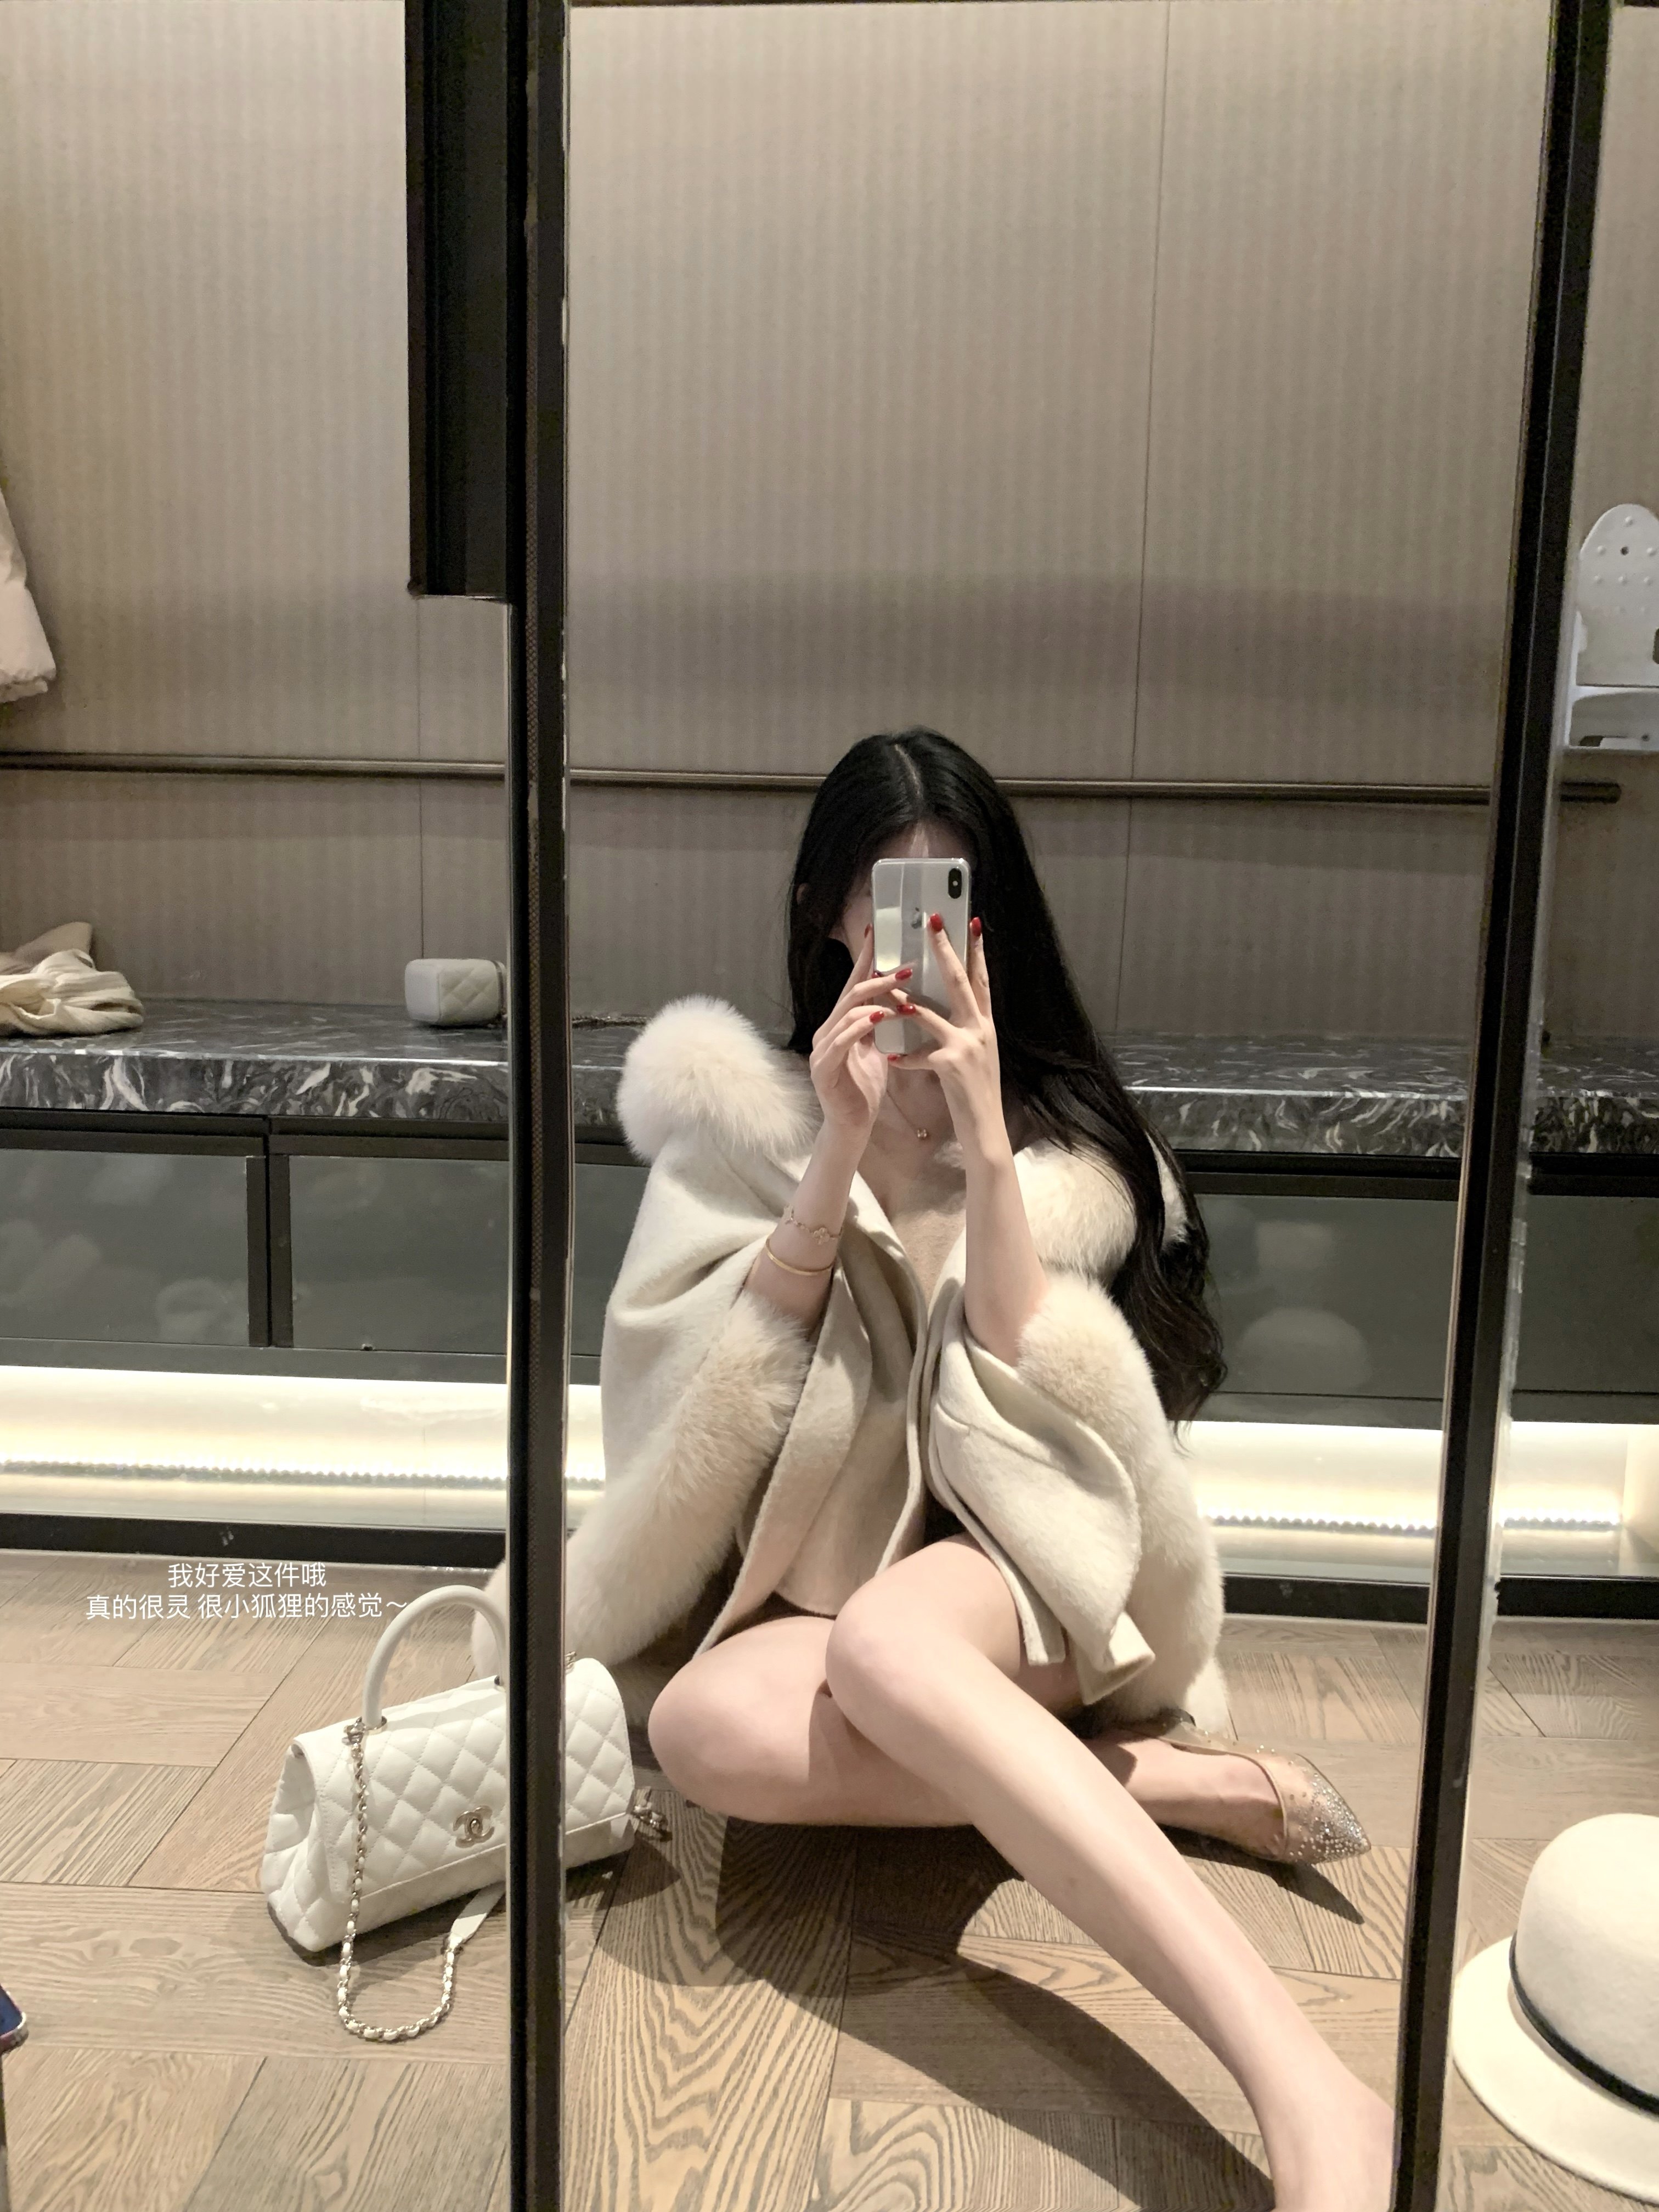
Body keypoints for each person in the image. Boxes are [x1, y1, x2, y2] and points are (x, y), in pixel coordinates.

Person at [533, 729, 1393, 2209]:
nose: (918, 932)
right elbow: (705, 1397)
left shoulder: (1065, 1139)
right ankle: (1144, 1784)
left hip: (1023, 1565)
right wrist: (835, 1147)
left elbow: (1038, 1382)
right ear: (825, 912)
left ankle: (1307, 2085)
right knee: (702, 1731)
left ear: (990, 922)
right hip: (834, 1594)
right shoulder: (744, 1132)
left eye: (952, 898)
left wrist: (986, 1141)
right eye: (889, 897)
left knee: (889, 1644)